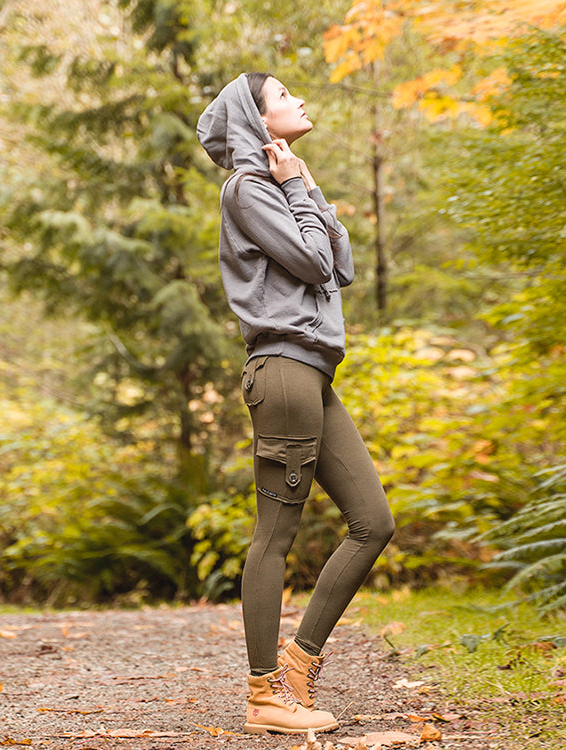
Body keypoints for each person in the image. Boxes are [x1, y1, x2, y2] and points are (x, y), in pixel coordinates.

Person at [196, 72, 396, 735]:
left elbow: (342, 267)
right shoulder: (249, 190)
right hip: (281, 368)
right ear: (257, 119)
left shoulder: (281, 187)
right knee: (274, 535)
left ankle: (300, 664)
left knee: (373, 522)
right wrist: (294, 191)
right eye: (284, 96)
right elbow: (314, 263)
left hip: (313, 373)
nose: (299, 102)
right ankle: (262, 695)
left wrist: (305, 187)